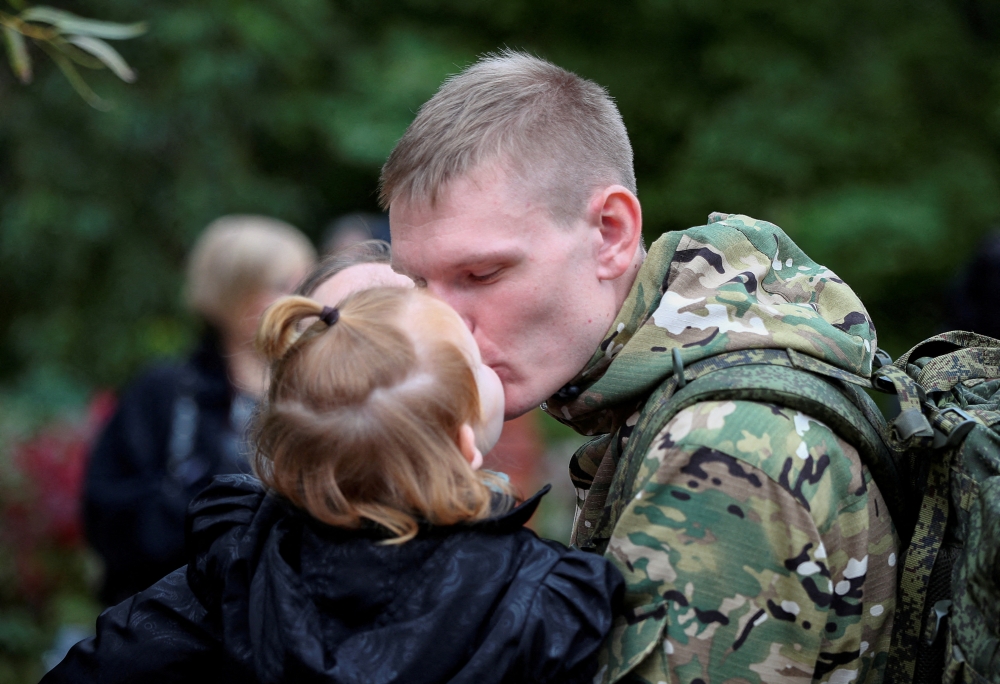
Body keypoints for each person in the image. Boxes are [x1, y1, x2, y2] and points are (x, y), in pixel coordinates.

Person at [383, 51, 898, 684]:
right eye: (416, 284)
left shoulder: (725, 447)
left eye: (482, 274)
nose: (439, 326)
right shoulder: (678, 385)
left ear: (611, 232)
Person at [44, 286, 624, 684]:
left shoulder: (244, 560)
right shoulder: (538, 598)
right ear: (463, 447)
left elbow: (104, 664)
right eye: (473, 361)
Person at [83, 215, 315, 605]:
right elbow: (110, 517)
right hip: (174, 618)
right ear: (231, 293)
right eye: (280, 285)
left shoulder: (320, 392)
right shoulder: (166, 393)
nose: (300, 301)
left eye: (305, 284)